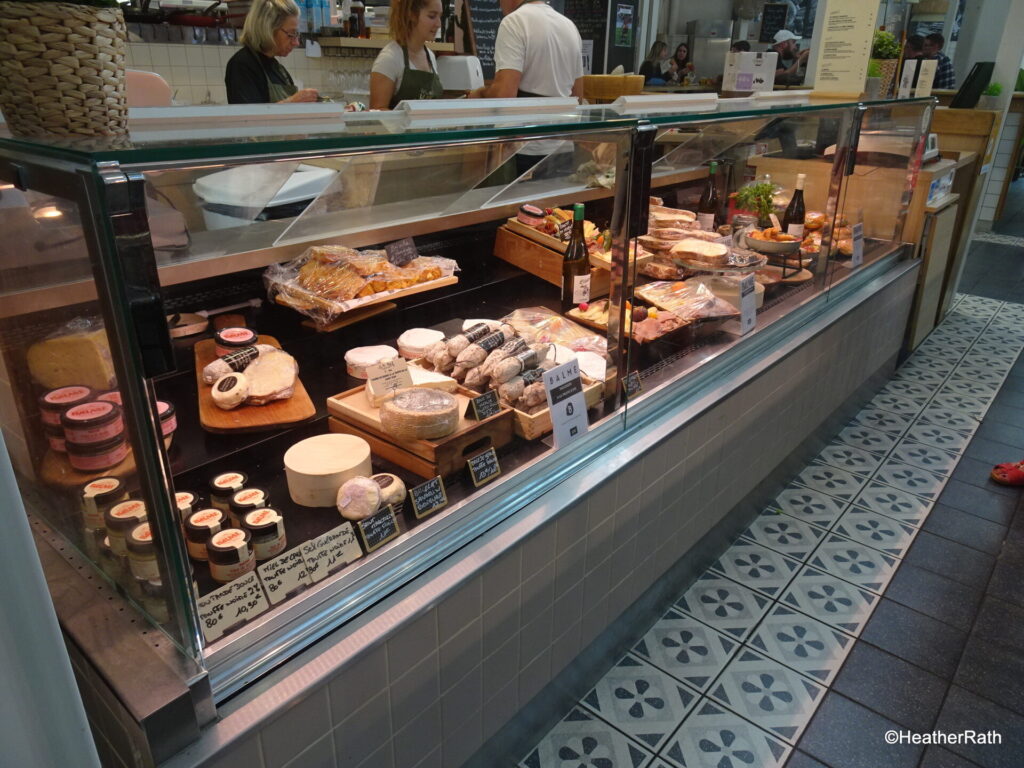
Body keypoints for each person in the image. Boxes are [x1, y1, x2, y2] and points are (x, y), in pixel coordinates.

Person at [225, 0, 318, 104]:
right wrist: (292, 102)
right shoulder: (242, 65)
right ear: (268, 28)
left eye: (296, 34)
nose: (296, 42)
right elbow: (248, 118)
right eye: (291, 34)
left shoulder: (279, 70)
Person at [369, 0, 444, 109]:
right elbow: (377, 113)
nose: (438, 24)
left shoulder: (430, 57)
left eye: (440, 16)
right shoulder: (389, 59)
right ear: (412, 15)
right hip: (399, 127)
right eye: (432, 16)